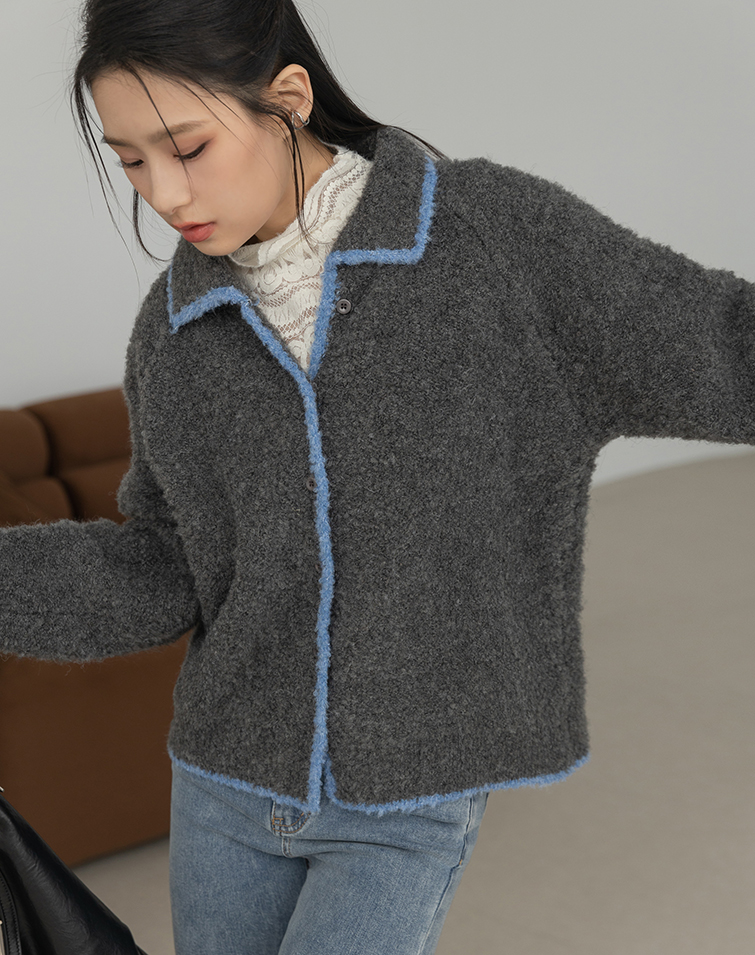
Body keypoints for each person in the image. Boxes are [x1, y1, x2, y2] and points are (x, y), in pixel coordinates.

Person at [2, 0, 754, 952]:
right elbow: (166, 562)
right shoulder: (175, 328)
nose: (163, 192)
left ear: (288, 98)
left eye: (187, 147)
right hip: (223, 786)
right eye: (130, 161)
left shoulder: (495, 241)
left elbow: (725, 348)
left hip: (406, 798)